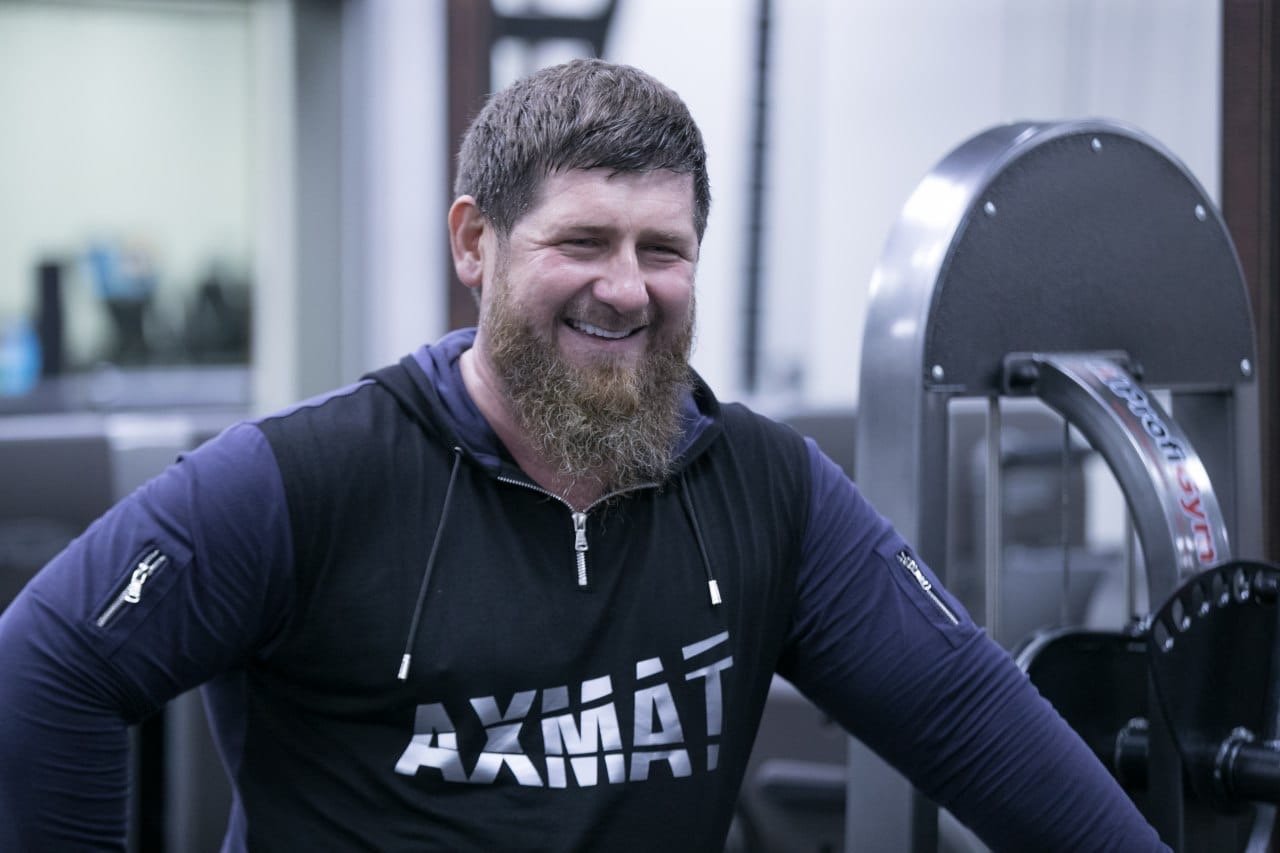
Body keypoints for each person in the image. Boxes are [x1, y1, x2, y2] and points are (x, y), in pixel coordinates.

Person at [0, 59, 1166, 851]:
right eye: (582, 240)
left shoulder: (766, 492)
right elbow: (46, 667)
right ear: (475, 243)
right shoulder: (305, 479)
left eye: (663, 249)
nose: (625, 287)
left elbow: (966, 713)